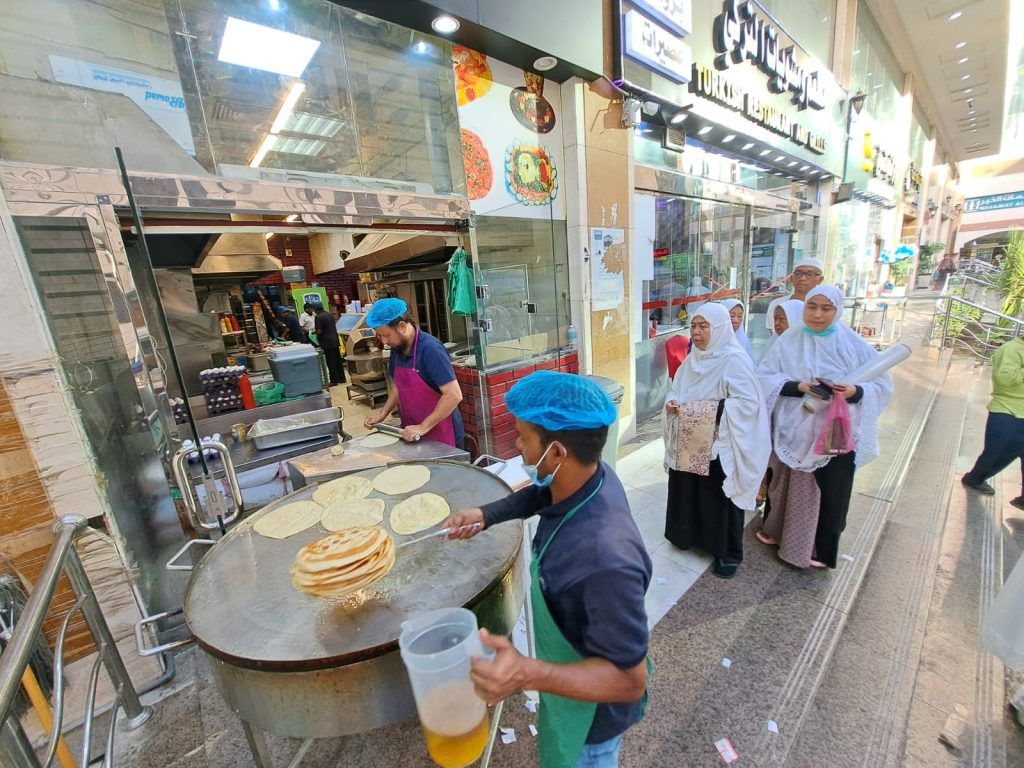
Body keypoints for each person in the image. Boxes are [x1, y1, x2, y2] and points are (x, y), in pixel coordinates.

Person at [444, 371, 651, 768]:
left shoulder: (604, 561)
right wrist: (485, 515)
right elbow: (542, 494)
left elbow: (629, 680)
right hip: (570, 677)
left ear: (556, 453)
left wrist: (527, 673)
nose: (517, 446)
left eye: (522, 437)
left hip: (594, 717)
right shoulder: (588, 477)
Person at [755, 286, 894, 569]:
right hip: (792, 427)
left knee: (828, 490)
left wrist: (854, 391)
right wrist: (800, 387)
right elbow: (765, 377)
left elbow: (882, 386)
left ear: (838, 311)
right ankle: (777, 532)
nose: (817, 315)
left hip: (834, 432)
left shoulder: (853, 345)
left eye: (825, 308)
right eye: (811, 307)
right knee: (785, 483)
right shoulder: (789, 341)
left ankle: (819, 550)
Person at [663, 303, 771, 578]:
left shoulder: (733, 360)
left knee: (719, 494)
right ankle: (688, 536)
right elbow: (677, 389)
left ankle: (727, 552)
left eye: (703, 326)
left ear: (720, 329)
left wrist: (708, 409)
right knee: (689, 488)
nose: (696, 333)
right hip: (691, 437)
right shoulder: (693, 359)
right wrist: (674, 402)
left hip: (719, 441)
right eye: (693, 326)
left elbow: (748, 403)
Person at [363, 298, 464, 446]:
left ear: (402, 326)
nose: (384, 341)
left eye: (386, 335)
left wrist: (423, 427)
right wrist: (382, 415)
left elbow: (454, 395)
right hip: (411, 431)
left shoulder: (431, 349)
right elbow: (398, 387)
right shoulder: (397, 349)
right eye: (380, 335)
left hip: (442, 434)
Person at [962, 335, 1024, 510]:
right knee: (996, 453)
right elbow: (1004, 380)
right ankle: (974, 478)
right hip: (1007, 411)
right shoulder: (1011, 349)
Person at [764, 257, 825, 333]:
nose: (802, 278)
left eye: (809, 274)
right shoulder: (777, 304)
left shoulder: (825, 307)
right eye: (798, 274)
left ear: (820, 280)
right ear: (792, 278)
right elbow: (775, 335)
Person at [314, 304, 345, 386]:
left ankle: (334, 381)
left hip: (327, 342)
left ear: (315, 309)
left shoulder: (318, 317)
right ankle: (341, 379)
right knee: (337, 361)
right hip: (335, 340)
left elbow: (319, 331)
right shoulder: (329, 314)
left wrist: (314, 334)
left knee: (330, 362)